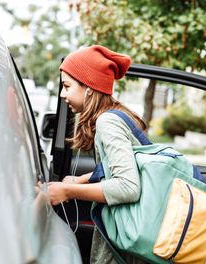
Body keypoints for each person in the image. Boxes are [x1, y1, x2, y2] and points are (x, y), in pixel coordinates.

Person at [47, 45, 147, 264]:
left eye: (67, 86)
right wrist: (82, 179)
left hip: (123, 240)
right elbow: (118, 167)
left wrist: (67, 191)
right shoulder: (117, 115)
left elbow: (128, 187)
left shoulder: (107, 123)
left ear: (89, 88)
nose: (63, 94)